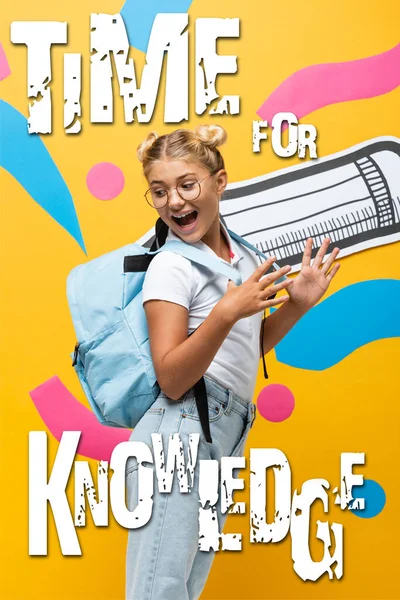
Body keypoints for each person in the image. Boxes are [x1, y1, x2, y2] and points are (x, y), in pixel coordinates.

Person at [125, 124, 341, 600]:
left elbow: (246, 345)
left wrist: (296, 305)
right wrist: (224, 312)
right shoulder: (171, 265)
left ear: (219, 182)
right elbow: (173, 376)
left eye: (187, 184)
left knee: (184, 587)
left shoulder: (242, 257)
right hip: (179, 430)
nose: (175, 202)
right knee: (158, 590)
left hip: (225, 429)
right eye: (159, 192)